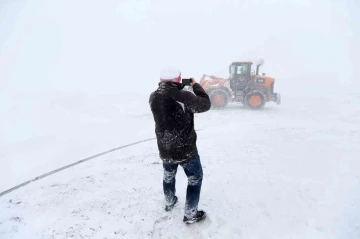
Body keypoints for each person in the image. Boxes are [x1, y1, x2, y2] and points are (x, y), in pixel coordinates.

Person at [149, 66, 211, 224]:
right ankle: (190, 214)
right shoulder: (183, 96)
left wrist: (181, 88)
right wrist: (195, 85)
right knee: (195, 179)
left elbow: (168, 97)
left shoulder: (153, 97)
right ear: (178, 79)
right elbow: (205, 104)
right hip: (185, 151)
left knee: (168, 176)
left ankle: (170, 202)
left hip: (164, 148)